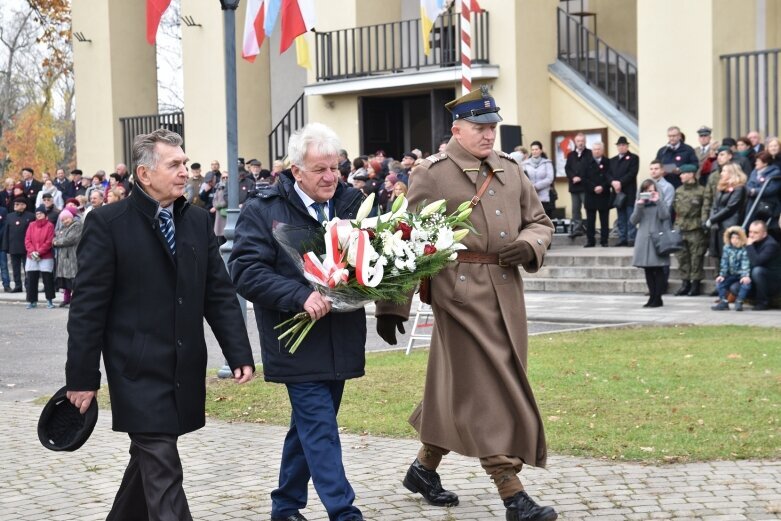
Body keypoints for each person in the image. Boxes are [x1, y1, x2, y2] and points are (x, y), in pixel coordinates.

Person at [375, 86, 557, 521]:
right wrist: (392, 306)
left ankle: (423, 469)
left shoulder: (512, 170)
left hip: (506, 294)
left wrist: (528, 246)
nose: (489, 135)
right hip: (456, 294)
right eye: (480, 127)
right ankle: (512, 493)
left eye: (492, 127)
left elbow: (540, 222)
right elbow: (406, 237)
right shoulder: (432, 172)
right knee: (485, 389)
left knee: (464, 387)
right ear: (457, 129)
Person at [65, 129, 255, 521]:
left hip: (182, 368)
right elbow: (87, 309)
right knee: (163, 465)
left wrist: (238, 352)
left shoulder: (199, 222)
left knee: (149, 462)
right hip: (135, 372)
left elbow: (217, 292)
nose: (185, 171)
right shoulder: (107, 223)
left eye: (185, 163)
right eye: (174, 164)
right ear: (145, 174)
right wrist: (82, 377)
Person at [229, 123, 367, 521]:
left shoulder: (353, 203)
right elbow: (245, 270)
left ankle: (285, 506)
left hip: (340, 336)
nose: (330, 177)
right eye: (320, 170)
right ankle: (344, 512)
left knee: (307, 429)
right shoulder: (264, 209)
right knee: (320, 428)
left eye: (335, 168)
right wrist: (299, 295)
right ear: (296, 172)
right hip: (293, 340)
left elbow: (375, 255)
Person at [631, 179, 671, 308]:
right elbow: (633, 220)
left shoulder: (660, 201)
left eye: (652, 190)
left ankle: (658, 298)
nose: (650, 193)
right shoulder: (640, 203)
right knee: (647, 269)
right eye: (647, 191)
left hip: (657, 238)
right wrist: (639, 205)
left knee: (658, 268)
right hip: (643, 238)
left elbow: (665, 215)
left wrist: (658, 200)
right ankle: (652, 297)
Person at [672, 164, 708, 296]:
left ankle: (695, 284)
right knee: (682, 257)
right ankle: (685, 283)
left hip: (696, 227)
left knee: (696, 257)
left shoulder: (702, 191)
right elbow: (675, 208)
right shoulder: (679, 190)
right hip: (681, 226)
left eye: (684, 173)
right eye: (681, 174)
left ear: (692, 174)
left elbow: (705, 208)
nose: (681, 176)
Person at [705, 163, 747, 261]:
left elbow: (730, 208)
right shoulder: (721, 186)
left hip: (730, 223)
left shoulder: (739, 188)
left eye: (724, 171)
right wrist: (712, 218)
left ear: (732, 173)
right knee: (720, 254)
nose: (721, 173)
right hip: (718, 224)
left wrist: (713, 219)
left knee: (729, 253)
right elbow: (715, 205)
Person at [711, 226, 751, 311]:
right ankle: (723, 301)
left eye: (737, 238)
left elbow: (745, 262)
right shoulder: (726, 248)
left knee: (746, 284)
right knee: (720, 283)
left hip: (740, 275)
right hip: (730, 274)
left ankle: (739, 301)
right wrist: (722, 274)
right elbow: (724, 262)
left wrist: (745, 275)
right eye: (732, 238)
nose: (734, 240)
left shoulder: (744, 249)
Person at [24, 205, 56, 309]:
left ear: (45, 215)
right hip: (32, 256)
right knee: (32, 279)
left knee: (47, 279)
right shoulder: (31, 225)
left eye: (41, 213)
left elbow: (49, 241)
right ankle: (32, 301)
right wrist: (32, 251)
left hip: (45, 256)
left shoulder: (50, 225)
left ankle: (49, 300)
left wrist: (39, 252)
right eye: (37, 214)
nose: (39, 215)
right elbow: (27, 240)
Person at [743, 151, 781, 238]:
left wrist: (754, 191)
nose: (756, 162)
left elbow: (771, 189)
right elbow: (749, 184)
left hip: (767, 204)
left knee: (765, 228)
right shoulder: (754, 172)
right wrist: (751, 190)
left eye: (758, 161)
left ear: (765, 162)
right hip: (752, 203)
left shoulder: (775, 172)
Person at [610, 136, 639, 246]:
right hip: (618, 193)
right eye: (619, 145)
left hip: (629, 192)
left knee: (630, 216)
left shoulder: (633, 158)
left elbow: (632, 173)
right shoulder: (613, 160)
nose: (621, 147)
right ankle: (622, 238)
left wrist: (620, 182)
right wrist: (613, 182)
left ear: (627, 146)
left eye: (623, 145)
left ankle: (631, 238)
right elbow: (608, 174)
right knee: (621, 217)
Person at [745, 220, 781, 310]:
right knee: (735, 287)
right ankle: (753, 299)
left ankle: (763, 302)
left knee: (757, 271)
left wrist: (749, 246)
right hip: (755, 279)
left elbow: (757, 262)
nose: (751, 235)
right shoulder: (754, 242)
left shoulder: (771, 245)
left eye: (756, 232)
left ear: (764, 234)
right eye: (750, 232)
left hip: (773, 281)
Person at [2, 198, 34, 293]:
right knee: (15, 268)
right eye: (15, 203)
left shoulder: (31, 216)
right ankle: (18, 285)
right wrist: (5, 246)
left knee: (27, 268)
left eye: (18, 204)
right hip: (13, 246)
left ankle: (28, 286)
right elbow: (6, 232)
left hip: (26, 247)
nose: (15, 205)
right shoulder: (9, 216)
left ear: (24, 206)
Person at [583, 142, 612, 247]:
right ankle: (590, 241)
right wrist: (593, 188)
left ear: (603, 150)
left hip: (604, 195)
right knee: (590, 220)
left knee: (604, 220)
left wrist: (603, 187)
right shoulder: (586, 162)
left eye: (599, 149)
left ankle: (604, 240)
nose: (596, 151)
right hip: (591, 195)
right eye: (594, 149)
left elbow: (610, 177)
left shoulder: (608, 162)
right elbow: (584, 178)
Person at [52, 209, 82, 307]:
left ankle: (75, 300)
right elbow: (55, 237)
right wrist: (56, 241)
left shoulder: (77, 225)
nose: (65, 221)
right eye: (63, 220)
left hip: (72, 257)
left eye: (67, 218)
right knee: (65, 281)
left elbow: (70, 239)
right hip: (63, 258)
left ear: (71, 217)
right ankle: (66, 299)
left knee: (73, 280)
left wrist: (57, 242)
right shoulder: (63, 228)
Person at [564, 132, 591, 237]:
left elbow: (590, 169)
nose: (580, 143)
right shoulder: (571, 155)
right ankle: (577, 229)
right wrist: (573, 177)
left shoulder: (589, 154)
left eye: (582, 141)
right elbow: (567, 169)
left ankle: (590, 228)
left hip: (585, 186)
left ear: (585, 142)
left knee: (588, 208)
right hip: (574, 187)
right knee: (575, 209)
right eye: (578, 141)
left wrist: (581, 178)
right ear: (575, 142)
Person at [522, 140, 555, 219]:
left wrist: (536, 186)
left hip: (544, 196)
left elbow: (550, 178)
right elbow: (523, 177)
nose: (534, 151)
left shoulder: (547, 163)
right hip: (530, 195)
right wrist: (530, 187)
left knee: (544, 218)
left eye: (536, 149)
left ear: (540, 150)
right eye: (532, 150)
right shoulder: (525, 164)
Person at [0, 204, 9, 291]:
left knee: (4, 266)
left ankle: (6, 285)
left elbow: (5, 226)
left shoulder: (3, 210)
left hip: (1, 244)